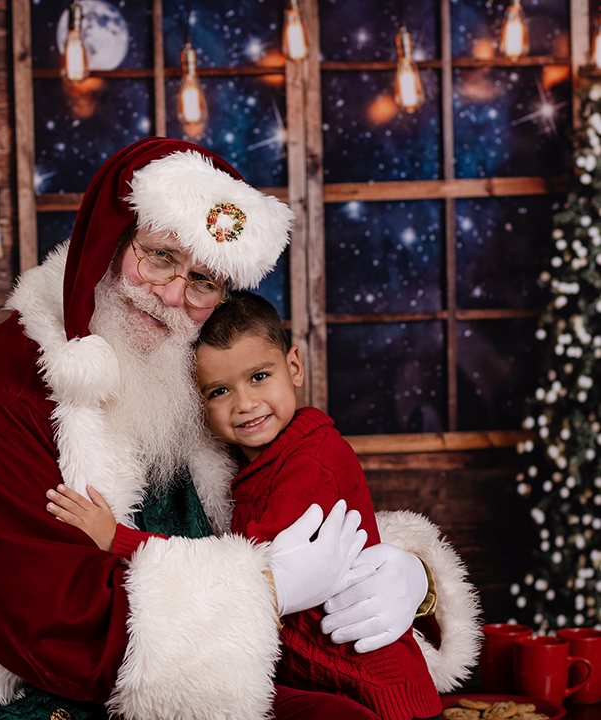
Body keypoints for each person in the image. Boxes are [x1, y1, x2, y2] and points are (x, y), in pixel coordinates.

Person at [0, 138, 479, 720]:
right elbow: (48, 622)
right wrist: (265, 588)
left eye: (203, 281)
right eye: (160, 256)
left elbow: (282, 507)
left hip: (189, 669)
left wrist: (402, 574)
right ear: (108, 243)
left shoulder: (191, 378)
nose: (172, 295)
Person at [48, 291, 446, 720]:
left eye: (259, 376)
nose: (245, 404)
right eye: (220, 390)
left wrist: (117, 539)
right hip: (321, 684)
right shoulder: (252, 463)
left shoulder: (312, 461)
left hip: (376, 691)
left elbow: (242, 571)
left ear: (294, 367)